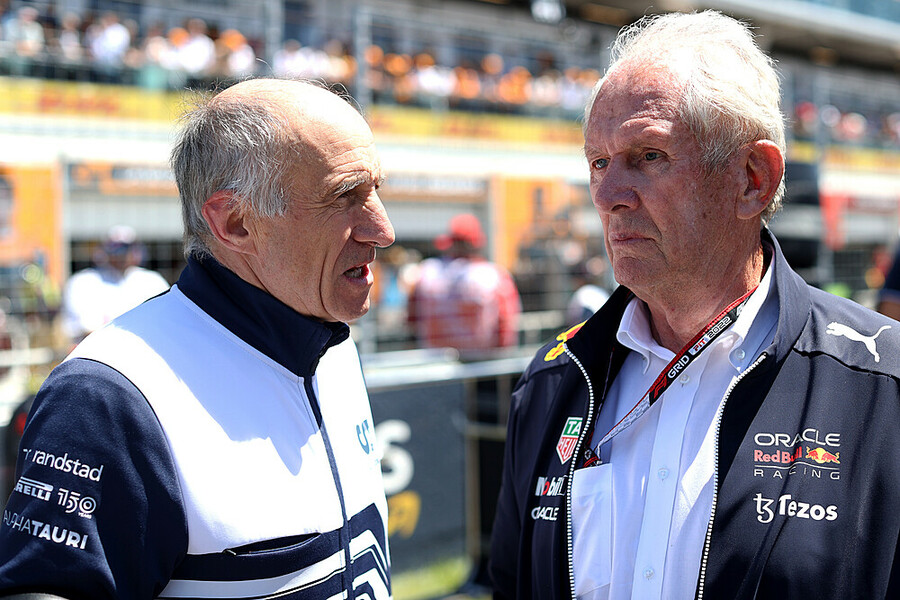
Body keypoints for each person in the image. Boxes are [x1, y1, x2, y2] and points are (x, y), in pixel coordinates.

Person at [489, 11, 899, 600]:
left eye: (648, 156)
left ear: (752, 179)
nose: (608, 196)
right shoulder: (552, 382)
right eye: (598, 162)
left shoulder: (881, 387)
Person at [0, 79, 395, 599]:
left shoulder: (333, 345)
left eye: (376, 190)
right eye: (344, 196)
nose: (383, 229)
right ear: (235, 223)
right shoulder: (107, 398)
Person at [407, 213, 521, 355]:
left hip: (435, 360)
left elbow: (411, 319)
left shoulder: (426, 272)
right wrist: (502, 356)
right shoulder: (495, 276)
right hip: (482, 360)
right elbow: (506, 324)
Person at [60, 225, 170, 344]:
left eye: (126, 248)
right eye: (116, 248)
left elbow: (165, 321)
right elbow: (85, 328)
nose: (121, 255)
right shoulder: (83, 282)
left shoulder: (152, 281)